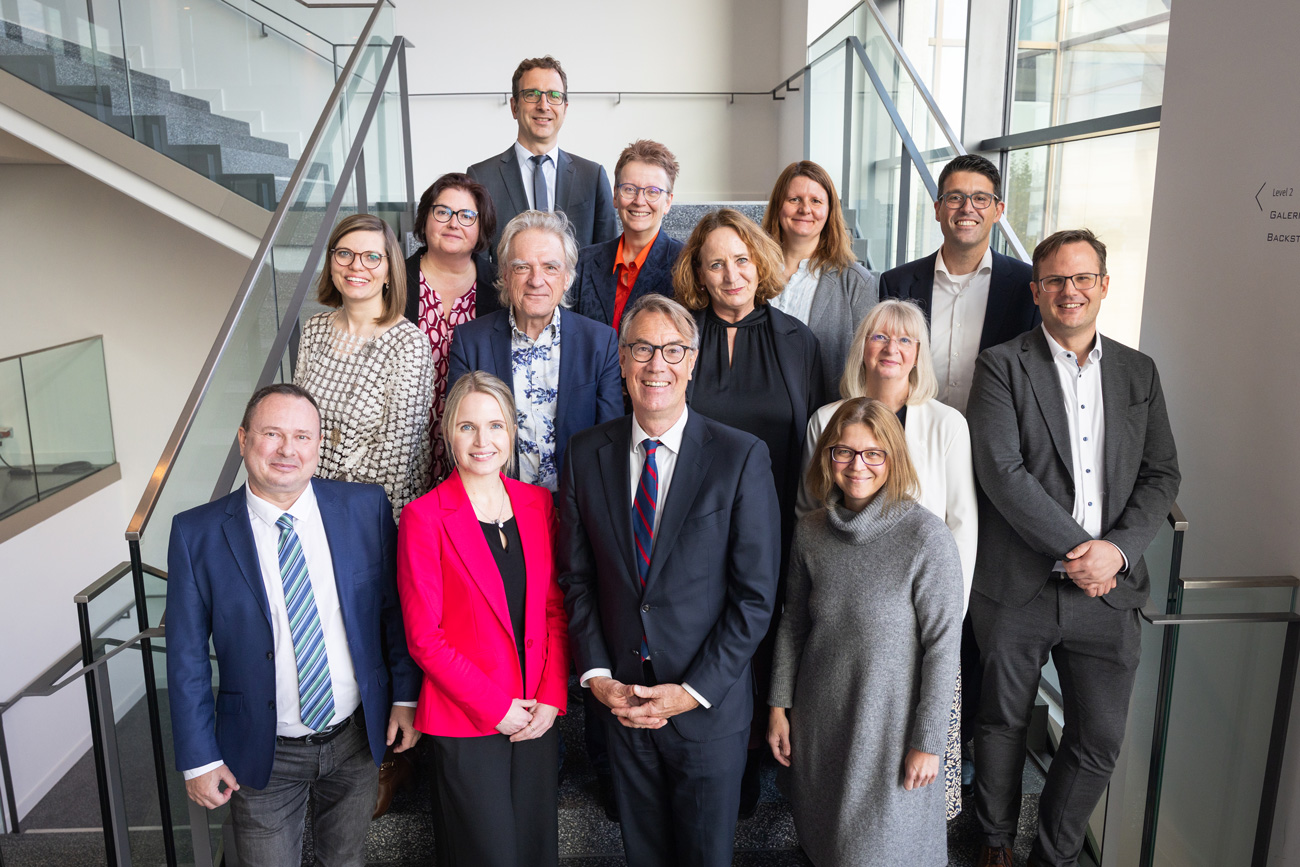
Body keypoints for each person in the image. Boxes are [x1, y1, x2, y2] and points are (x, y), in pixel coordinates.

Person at [965, 229, 1179, 867]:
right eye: (1056, 279)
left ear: (1104, 286)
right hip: (1018, 584)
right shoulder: (1001, 365)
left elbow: (1161, 474)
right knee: (1001, 722)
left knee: (1100, 739)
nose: (1070, 290)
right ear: (1036, 291)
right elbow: (1002, 473)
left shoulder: (1138, 371)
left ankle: (1053, 855)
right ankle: (995, 840)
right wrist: (1086, 551)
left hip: (1108, 595)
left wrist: (1117, 552)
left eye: (1083, 277)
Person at [557, 293, 781, 867]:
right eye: (642, 349)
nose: (657, 364)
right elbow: (578, 580)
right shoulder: (585, 454)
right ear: (622, 359)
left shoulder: (740, 457)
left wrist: (690, 692)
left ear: (693, 361)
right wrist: (598, 678)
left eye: (673, 350)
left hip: (706, 711)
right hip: (624, 707)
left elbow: (755, 599)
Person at [167, 383, 422, 865]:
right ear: (243, 439)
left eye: (303, 436)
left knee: (345, 861)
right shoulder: (195, 533)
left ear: (318, 444)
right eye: (272, 434)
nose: (288, 449)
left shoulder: (365, 508)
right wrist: (199, 757)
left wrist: (405, 697)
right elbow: (186, 657)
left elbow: (394, 612)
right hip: (263, 749)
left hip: (356, 738)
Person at [795, 298, 977, 818]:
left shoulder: (947, 423)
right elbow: (810, 509)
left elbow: (962, 523)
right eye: (879, 336)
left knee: (913, 779)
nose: (891, 348)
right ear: (861, 348)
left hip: (919, 618)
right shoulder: (827, 419)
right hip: (843, 621)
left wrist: (946, 614)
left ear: (919, 353)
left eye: (904, 340)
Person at [673, 207, 824, 814]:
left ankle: (759, 753)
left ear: (759, 263)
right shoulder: (680, 336)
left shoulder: (798, 341)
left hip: (777, 521)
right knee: (704, 634)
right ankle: (713, 754)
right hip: (692, 526)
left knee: (764, 633)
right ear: (699, 274)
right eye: (716, 264)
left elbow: (816, 445)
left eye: (740, 260)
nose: (731, 275)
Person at [768, 398, 963, 867]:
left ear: (894, 458)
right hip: (820, 722)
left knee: (877, 851)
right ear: (828, 456)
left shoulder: (927, 537)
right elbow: (793, 624)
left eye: (874, 453)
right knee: (825, 846)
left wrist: (928, 742)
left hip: (890, 730)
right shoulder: (811, 531)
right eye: (845, 451)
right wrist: (777, 708)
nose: (858, 465)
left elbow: (943, 649)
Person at [395, 371, 569, 867]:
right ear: (448, 434)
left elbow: (554, 609)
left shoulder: (538, 504)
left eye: (494, 426)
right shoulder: (424, 517)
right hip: (466, 719)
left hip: (535, 716)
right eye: (467, 427)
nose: (482, 441)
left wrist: (552, 696)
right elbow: (425, 638)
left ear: (511, 432)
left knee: (535, 853)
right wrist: (495, 707)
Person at [448, 210, 623, 496]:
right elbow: (460, 436)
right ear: (505, 275)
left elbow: (610, 441)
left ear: (567, 278)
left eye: (550, 267)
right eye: (522, 267)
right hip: (498, 504)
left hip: (576, 505)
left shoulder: (600, 342)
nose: (536, 280)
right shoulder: (470, 342)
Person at [294, 213, 433, 518]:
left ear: (389, 272)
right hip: (306, 502)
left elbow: (394, 460)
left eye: (372, 257)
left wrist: (328, 505)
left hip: (370, 514)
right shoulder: (314, 329)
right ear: (331, 263)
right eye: (345, 253)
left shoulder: (408, 344)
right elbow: (297, 422)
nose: (356, 266)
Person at [878, 153, 1039, 415]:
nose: (967, 208)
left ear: (998, 211)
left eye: (980, 198)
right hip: (911, 432)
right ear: (938, 209)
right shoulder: (897, 283)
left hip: (994, 436)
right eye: (955, 197)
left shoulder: (1027, 287)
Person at [403, 173, 504, 485]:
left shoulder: (501, 289)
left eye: (467, 216)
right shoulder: (393, 281)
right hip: (403, 441)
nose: (453, 223)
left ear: (481, 227)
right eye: (442, 212)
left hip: (475, 443)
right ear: (425, 218)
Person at [468, 56, 618, 259]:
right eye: (532, 94)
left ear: (565, 108)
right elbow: (477, 263)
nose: (543, 105)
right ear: (514, 106)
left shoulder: (592, 177)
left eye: (554, 95)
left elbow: (607, 259)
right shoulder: (481, 177)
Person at [762, 160, 878, 397]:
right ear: (778, 206)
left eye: (816, 201)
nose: (805, 209)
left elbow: (867, 366)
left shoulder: (856, 282)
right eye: (794, 199)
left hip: (824, 410)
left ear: (830, 211)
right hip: (755, 404)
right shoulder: (751, 271)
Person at [572, 139, 685, 331]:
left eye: (652, 192)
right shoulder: (584, 262)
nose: (639, 201)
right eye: (630, 189)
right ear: (615, 196)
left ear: (668, 202)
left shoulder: (685, 264)